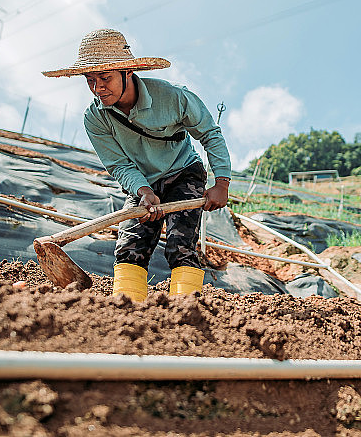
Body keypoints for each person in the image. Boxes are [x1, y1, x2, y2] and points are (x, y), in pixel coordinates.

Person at [43, 28, 231, 301]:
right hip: (142, 182)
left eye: (105, 78)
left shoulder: (174, 97)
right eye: (90, 80)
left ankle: (187, 311)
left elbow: (210, 134)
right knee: (130, 246)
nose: (98, 88)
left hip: (183, 173)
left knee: (181, 245)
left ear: (128, 72)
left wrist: (221, 183)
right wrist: (143, 191)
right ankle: (126, 311)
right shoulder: (95, 118)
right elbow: (119, 164)